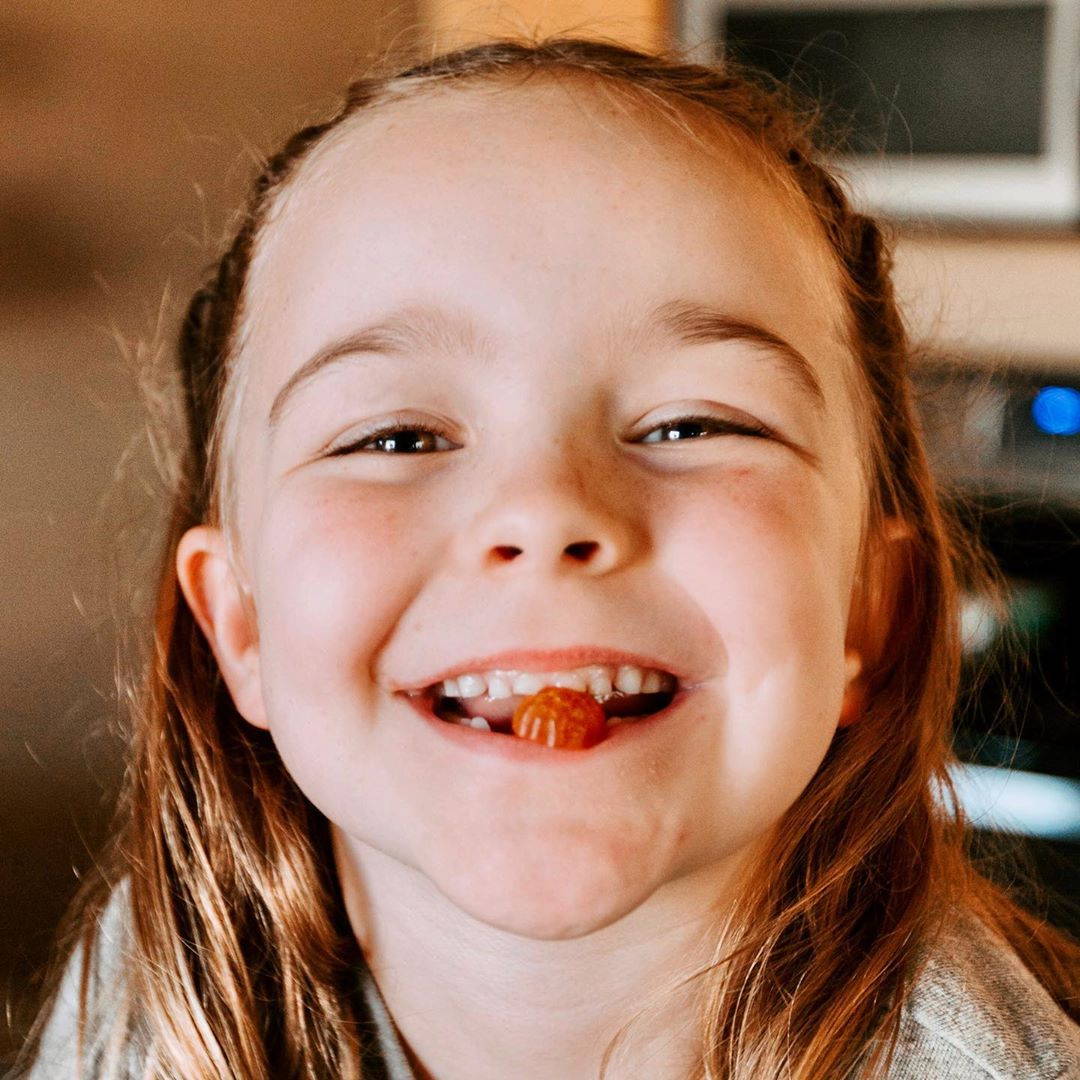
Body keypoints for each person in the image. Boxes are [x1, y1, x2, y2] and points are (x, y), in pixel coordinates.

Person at [11, 35, 1080, 1080]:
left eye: (692, 424)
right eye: (397, 439)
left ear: (863, 609)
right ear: (239, 627)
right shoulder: (146, 1000)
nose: (546, 510)